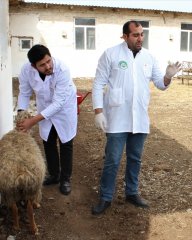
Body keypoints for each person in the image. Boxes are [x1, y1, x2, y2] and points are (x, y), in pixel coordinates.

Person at [91, 21, 181, 215]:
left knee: (135, 159)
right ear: (124, 36)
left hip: (139, 118)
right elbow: (98, 84)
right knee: (112, 160)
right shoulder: (111, 54)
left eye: (141, 34)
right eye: (135, 35)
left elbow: (160, 84)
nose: (140, 38)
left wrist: (168, 76)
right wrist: (98, 111)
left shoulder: (149, 57)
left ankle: (131, 192)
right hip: (116, 118)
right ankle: (106, 196)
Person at [17, 44, 77, 195]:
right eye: (42, 65)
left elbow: (58, 103)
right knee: (48, 141)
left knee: (65, 142)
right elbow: (24, 93)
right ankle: (54, 175)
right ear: (33, 66)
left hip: (64, 108)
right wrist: (21, 114)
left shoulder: (62, 69)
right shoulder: (26, 70)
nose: (48, 66)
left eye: (48, 61)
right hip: (44, 106)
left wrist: (32, 121)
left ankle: (65, 179)